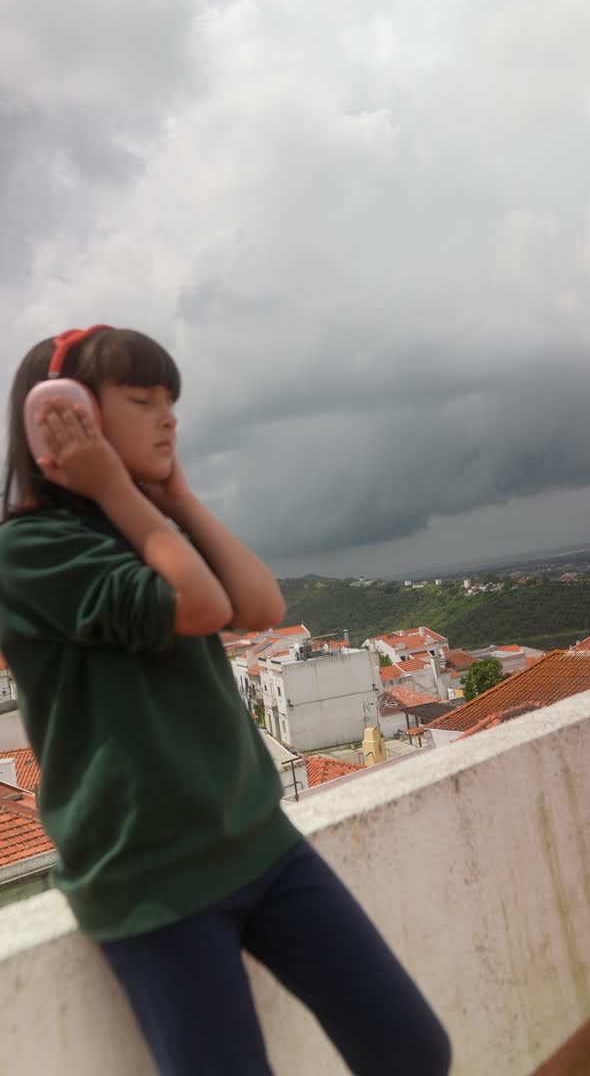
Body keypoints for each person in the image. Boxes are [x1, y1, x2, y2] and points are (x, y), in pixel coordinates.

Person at [0, 326, 451, 1076]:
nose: (168, 418)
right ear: (62, 414)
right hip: (151, 880)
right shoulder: (30, 549)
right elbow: (201, 605)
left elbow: (259, 602)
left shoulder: (140, 528)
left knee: (409, 1046)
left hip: (255, 837)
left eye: (171, 401)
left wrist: (172, 497)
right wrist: (122, 491)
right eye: (142, 401)